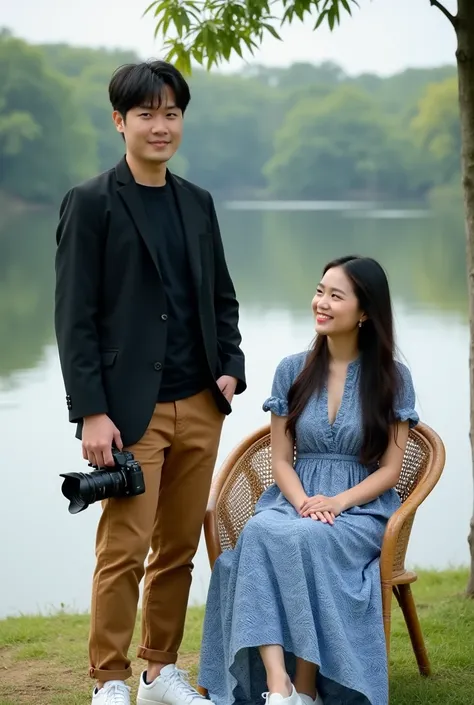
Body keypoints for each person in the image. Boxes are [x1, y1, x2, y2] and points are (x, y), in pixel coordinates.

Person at [54, 60, 246, 705]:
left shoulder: (198, 202)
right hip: (127, 412)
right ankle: (108, 680)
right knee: (123, 551)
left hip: (200, 403)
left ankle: (159, 671)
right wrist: (91, 412)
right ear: (120, 121)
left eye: (171, 113)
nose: (160, 126)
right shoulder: (91, 202)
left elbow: (221, 297)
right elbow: (74, 317)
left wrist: (231, 368)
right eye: (146, 114)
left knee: (178, 552)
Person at [198, 255, 418, 705]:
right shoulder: (291, 370)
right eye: (320, 291)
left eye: (335, 296)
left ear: (365, 312)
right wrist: (302, 502)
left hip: (361, 509)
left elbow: (391, 472)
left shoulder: (394, 379)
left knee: (308, 539)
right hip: (293, 497)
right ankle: (281, 688)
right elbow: (281, 461)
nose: (321, 302)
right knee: (261, 530)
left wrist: (335, 504)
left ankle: (309, 684)